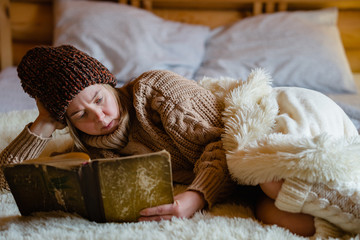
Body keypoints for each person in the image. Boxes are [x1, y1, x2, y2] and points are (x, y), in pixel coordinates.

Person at [0, 45, 358, 238]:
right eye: (79, 115)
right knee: (280, 217)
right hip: (238, 185)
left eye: (97, 99)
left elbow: (222, 144)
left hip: (267, 121)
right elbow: (5, 180)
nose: (99, 117)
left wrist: (196, 195)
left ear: (107, 82)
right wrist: (44, 122)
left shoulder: (156, 92)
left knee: (270, 179)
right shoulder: (91, 146)